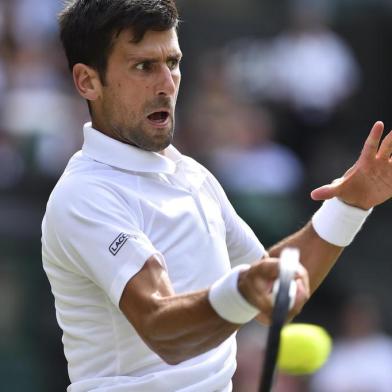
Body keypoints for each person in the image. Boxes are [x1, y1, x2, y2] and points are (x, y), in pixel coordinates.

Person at [41, 1, 392, 391]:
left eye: (172, 63)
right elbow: (162, 327)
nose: (166, 83)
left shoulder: (194, 176)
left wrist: (350, 205)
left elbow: (270, 289)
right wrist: (241, 290)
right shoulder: (84, 193)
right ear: (88, 81)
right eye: (143, 67)